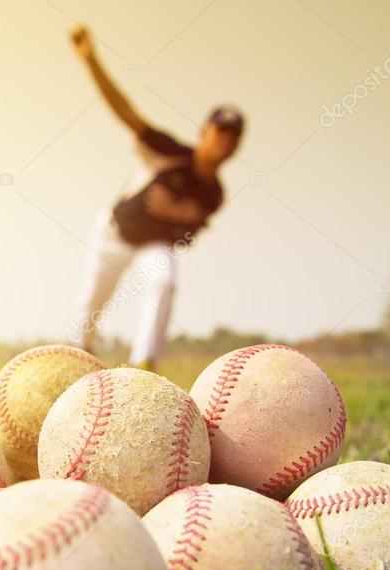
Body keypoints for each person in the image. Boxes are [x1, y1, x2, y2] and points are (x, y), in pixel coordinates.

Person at [68, 24, 244, 371]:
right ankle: (77, 359)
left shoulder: (214, 194)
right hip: (113, 234)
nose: (225, 141)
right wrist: (91, 61)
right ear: (203, 133)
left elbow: (187, 236)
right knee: (89, 305)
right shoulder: (170, 152)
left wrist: (180, 220)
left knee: (164, 280)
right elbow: (126, 113)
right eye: (219, 132)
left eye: (233, 137)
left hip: (153, 244)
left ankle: (144, 364)